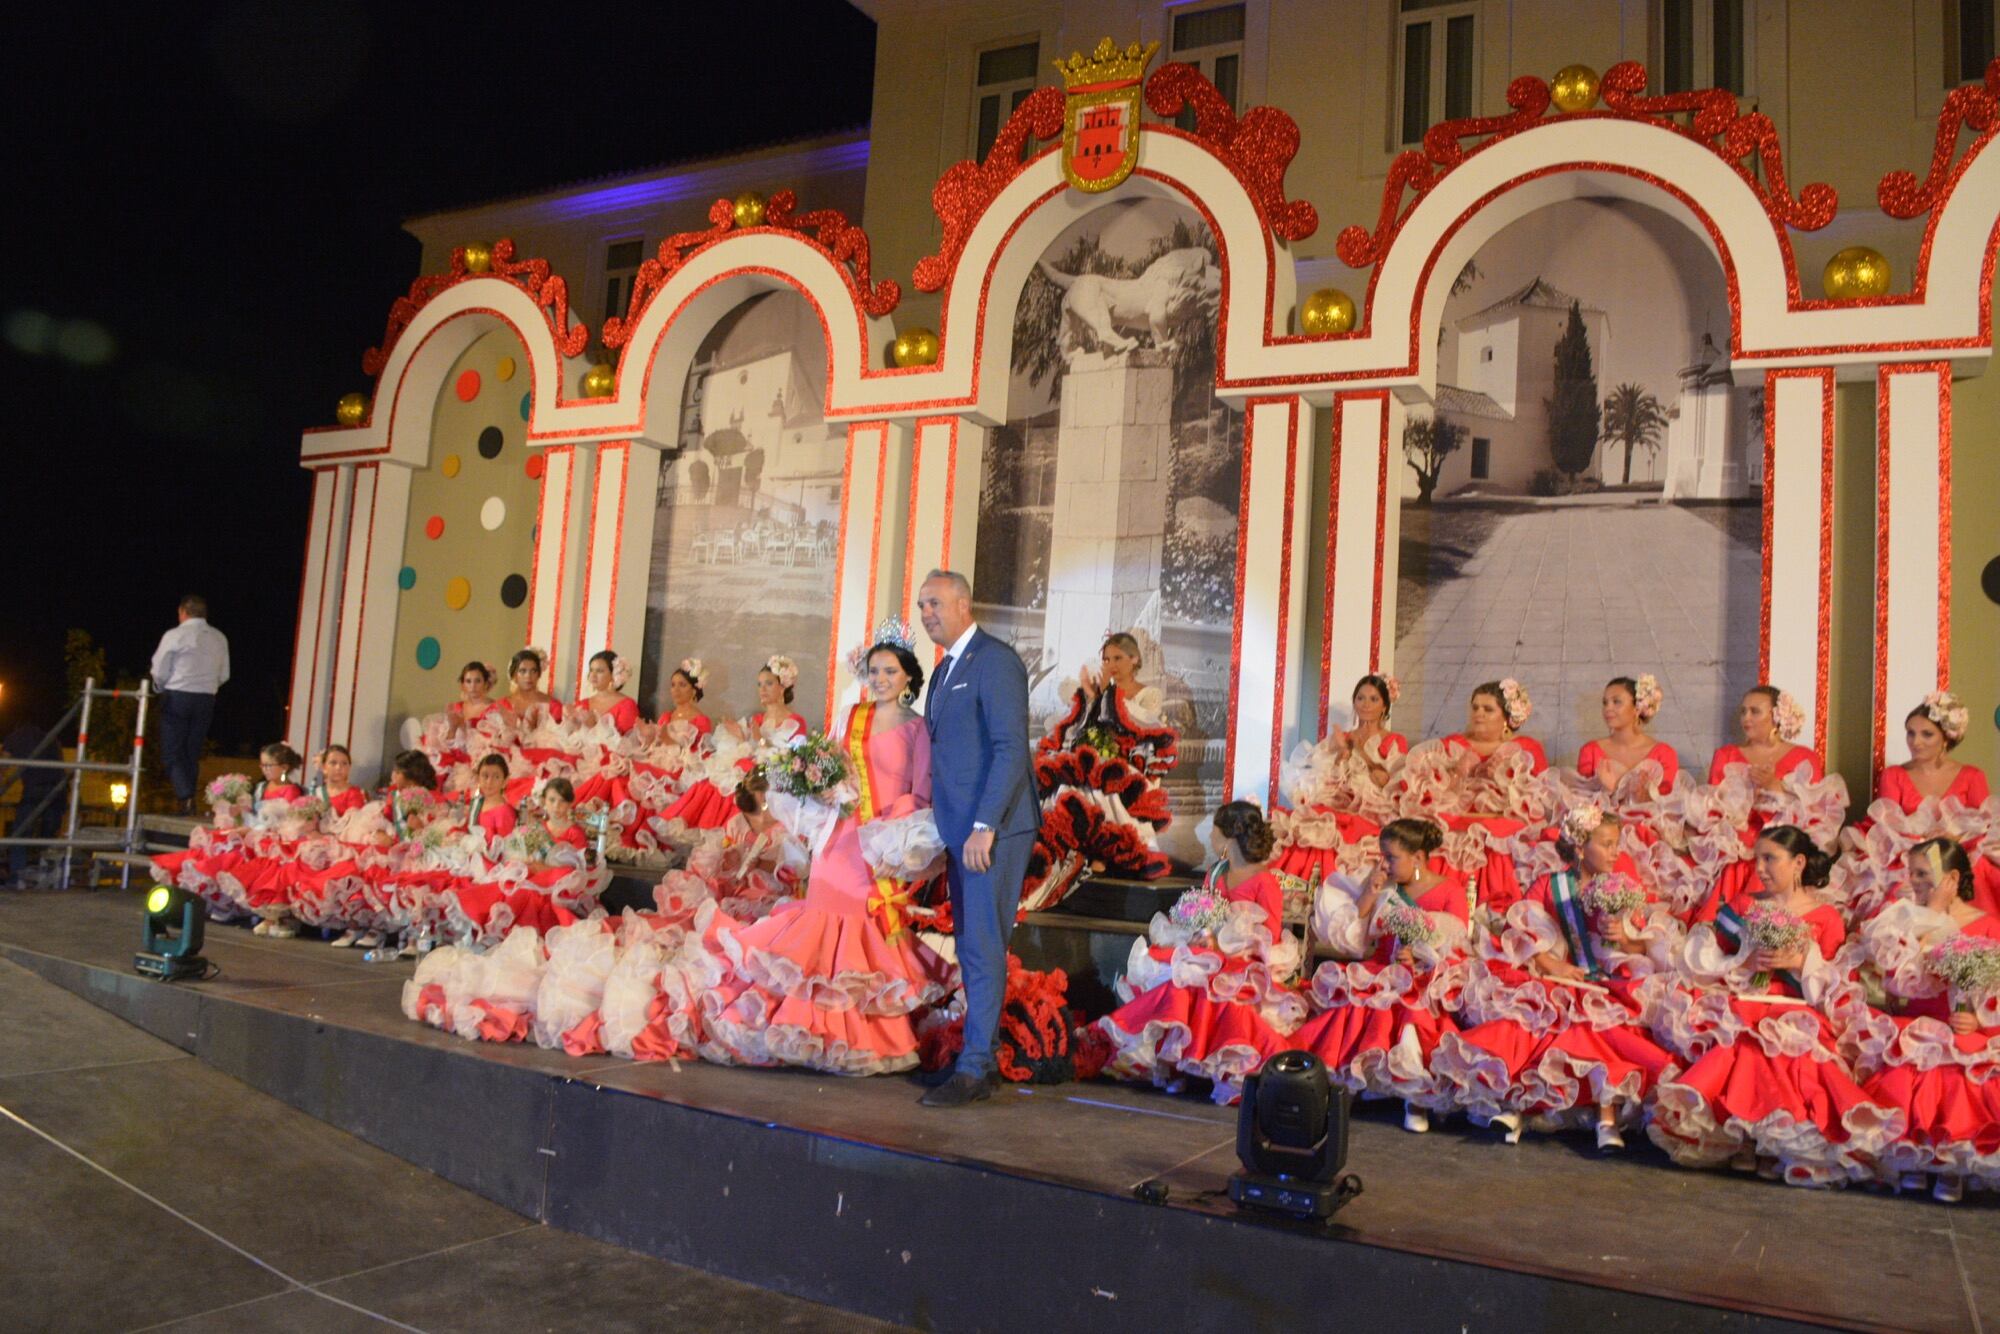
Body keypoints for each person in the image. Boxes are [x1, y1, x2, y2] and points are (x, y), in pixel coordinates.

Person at [697, 636, 953, 1073]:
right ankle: (804, 1030)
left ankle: (854, 1038)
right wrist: (818, 785)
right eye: (875, 671)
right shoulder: (853, 716)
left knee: (858, 938)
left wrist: (897, 841)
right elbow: (825, 763)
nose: (882, 679)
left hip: (880, 844)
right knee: (819, 927)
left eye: (891, 671)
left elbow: (922, 791)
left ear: (908, 676)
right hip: (837, 837)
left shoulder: (918, 727)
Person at [916, 569, 1036, 1107]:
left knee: (983, 947)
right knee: (971, 946)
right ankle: (975, 1060)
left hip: (994, 830)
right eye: (922, 606)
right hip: (961, 830)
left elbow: (1011, 749)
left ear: (964, 603)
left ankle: (975, 1068)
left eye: (935, 604)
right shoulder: (944, 671)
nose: (926, 615)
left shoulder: (995, 660)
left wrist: (985, 825)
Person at [150, 594, 230, 813]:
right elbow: (224, 674)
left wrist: (159, 686)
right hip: (205, 698)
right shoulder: (219, 638)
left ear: (182, 612)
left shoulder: (175, 635)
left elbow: (159, 668)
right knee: (191, 752)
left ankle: (185, 797)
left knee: (171, 752)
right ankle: (187, 800)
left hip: (178, 695)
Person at [3, 719, 63, 889]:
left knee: (20, 833)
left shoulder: (15, 737)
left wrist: (4, 781)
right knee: (48, 836)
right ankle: (49, 877)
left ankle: (18, 877)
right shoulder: (50, 738)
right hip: (56, 790)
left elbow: (4, 763)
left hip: (34, 789)